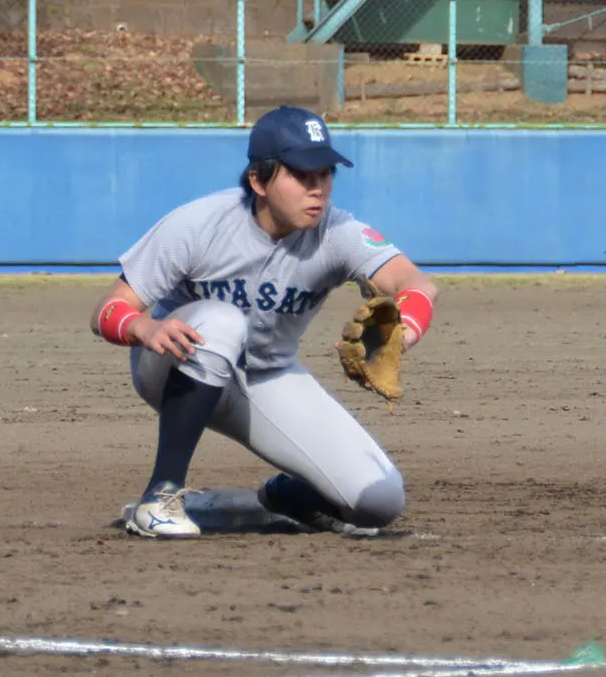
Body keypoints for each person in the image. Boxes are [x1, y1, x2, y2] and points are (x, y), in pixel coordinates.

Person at [90, 105, 440, 539]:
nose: (318, 190)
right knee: (222, 320)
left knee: (378, 501)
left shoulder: (337, 233)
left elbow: (417, 284)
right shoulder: (200, 224)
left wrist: (403, 330)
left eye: (326, 174)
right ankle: (160, 496)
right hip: (175, 363)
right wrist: (146, 329)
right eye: (301, 176)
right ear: (259, 180)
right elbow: (108, 310)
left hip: (267, 376)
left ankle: (270, 502)